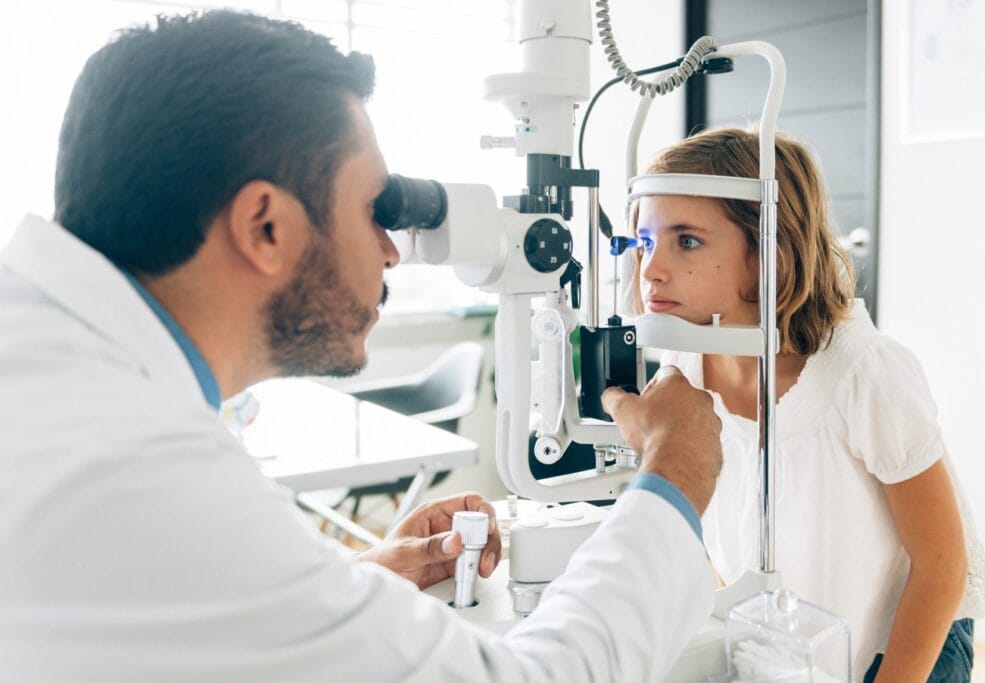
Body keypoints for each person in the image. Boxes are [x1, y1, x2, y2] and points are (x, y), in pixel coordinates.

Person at [0, 10, 726, 682]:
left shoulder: (56, 371)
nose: (391, 251)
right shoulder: (138, 467)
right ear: (265, 227)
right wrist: (674, 477)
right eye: (373, 209)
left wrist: (348, 587)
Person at [623, 127, 985, 682]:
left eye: (687, 241)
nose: (652, 268)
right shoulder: (684, 370)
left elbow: (943, 565)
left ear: (767, 254)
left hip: (905, 643)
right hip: (797, 640)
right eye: (644, 240)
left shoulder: (862, 373)